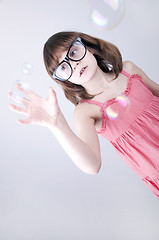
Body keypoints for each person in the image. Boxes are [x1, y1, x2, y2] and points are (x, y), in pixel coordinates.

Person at [9, 31, 159, 198]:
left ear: (89, 48)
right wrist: (56, 123)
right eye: (64, 67)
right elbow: (92, 165)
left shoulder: (128, 70)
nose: (74, 64)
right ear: (65, 80)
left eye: (73, 52)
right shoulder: (85, 111)